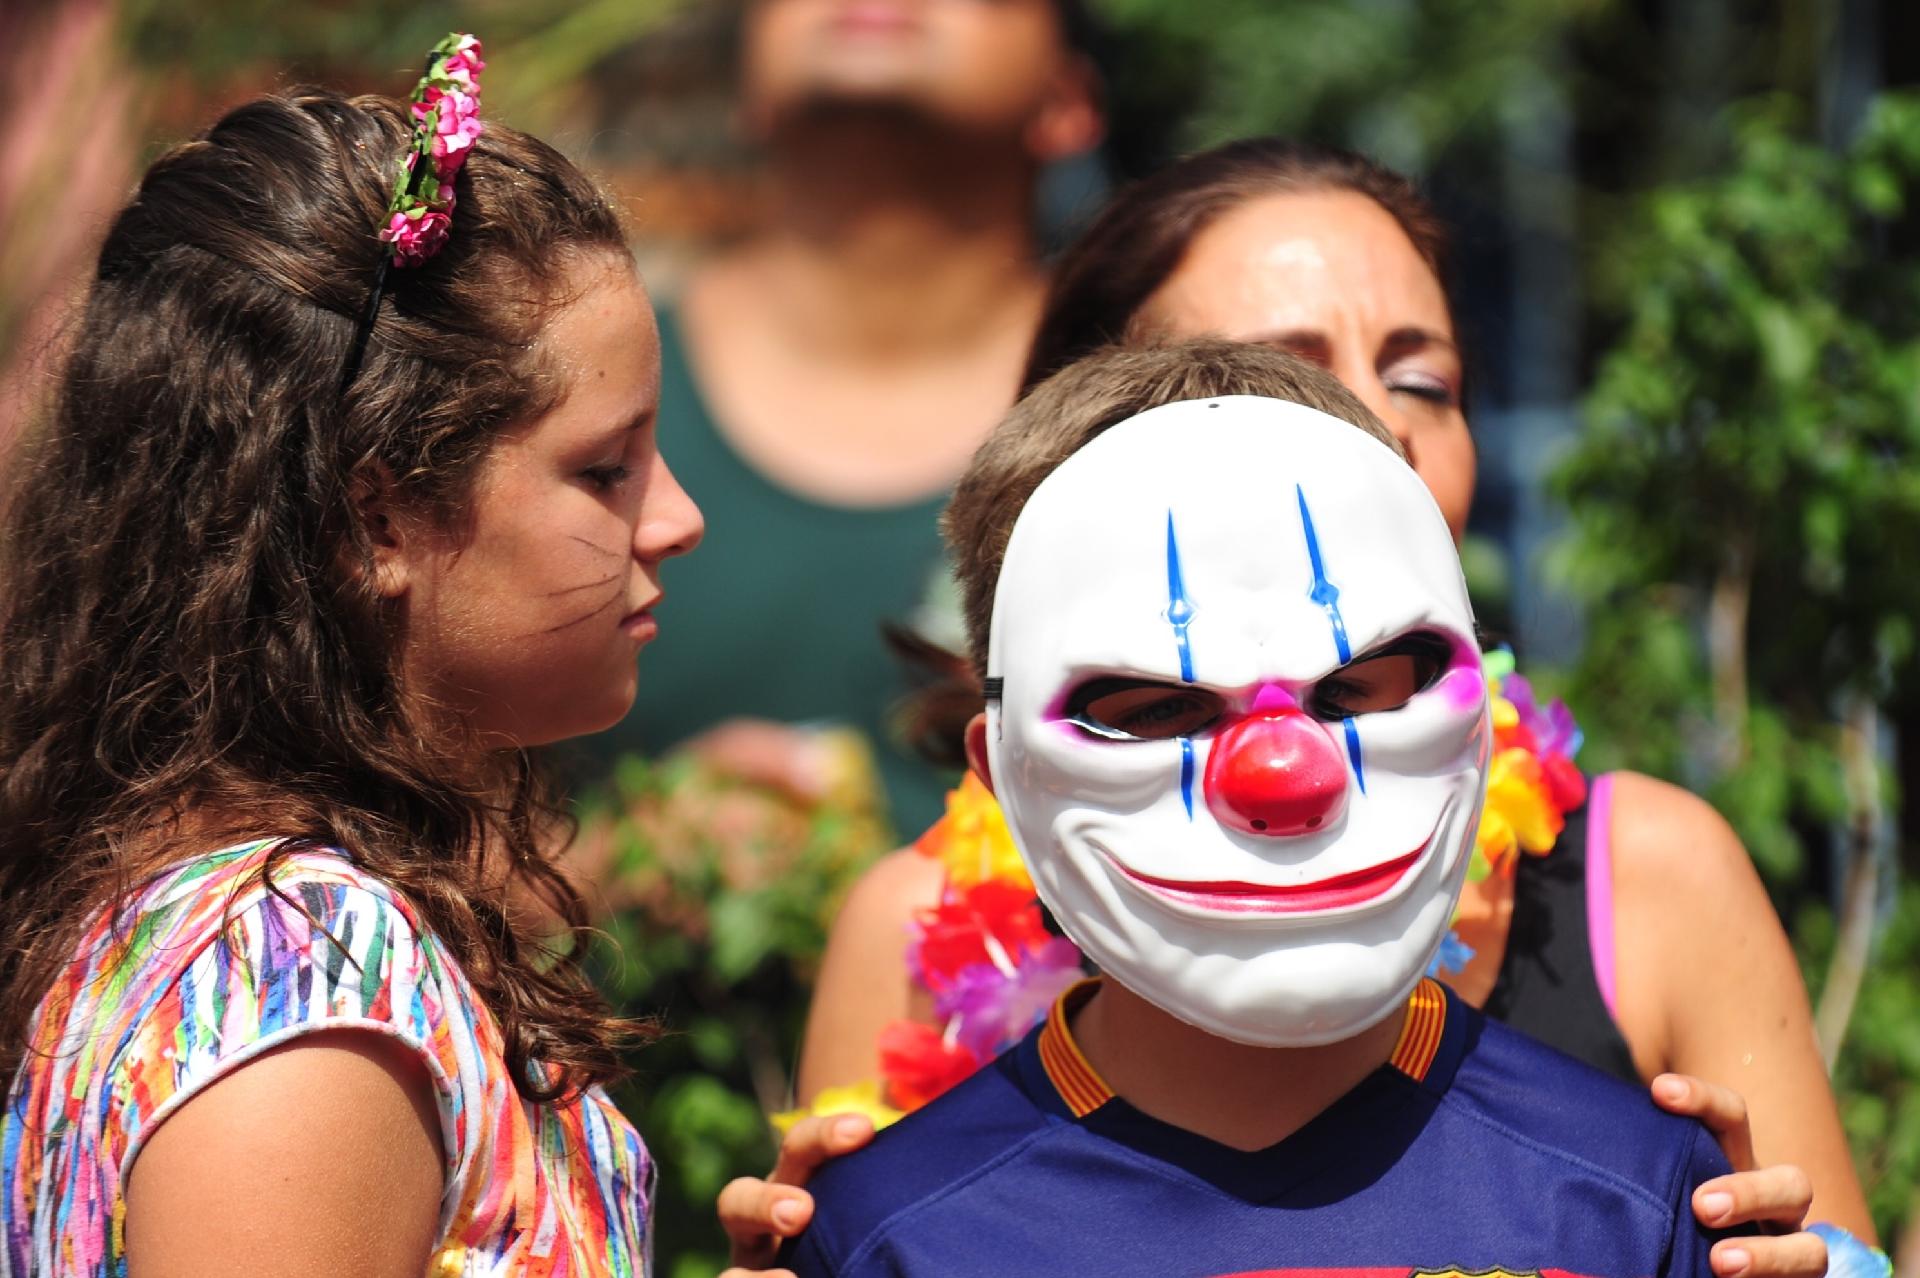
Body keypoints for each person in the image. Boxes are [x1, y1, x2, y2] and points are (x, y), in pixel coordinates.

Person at [727, 140, 1865, 1278]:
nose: (1378, 429)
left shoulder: (1646, 953)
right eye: (1268, 372)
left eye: (1422, 380)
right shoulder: (908, 997)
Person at [0, 46, 704, 1275]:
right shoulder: (305, 989)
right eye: (605, 470)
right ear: (374, 519)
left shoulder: (277, 924)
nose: (676, 517)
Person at [578, 0, 1104, 831]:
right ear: (744, 86)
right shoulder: (543, 395)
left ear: (1070, 102)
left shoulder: (1154, 426)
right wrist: (599, 875)